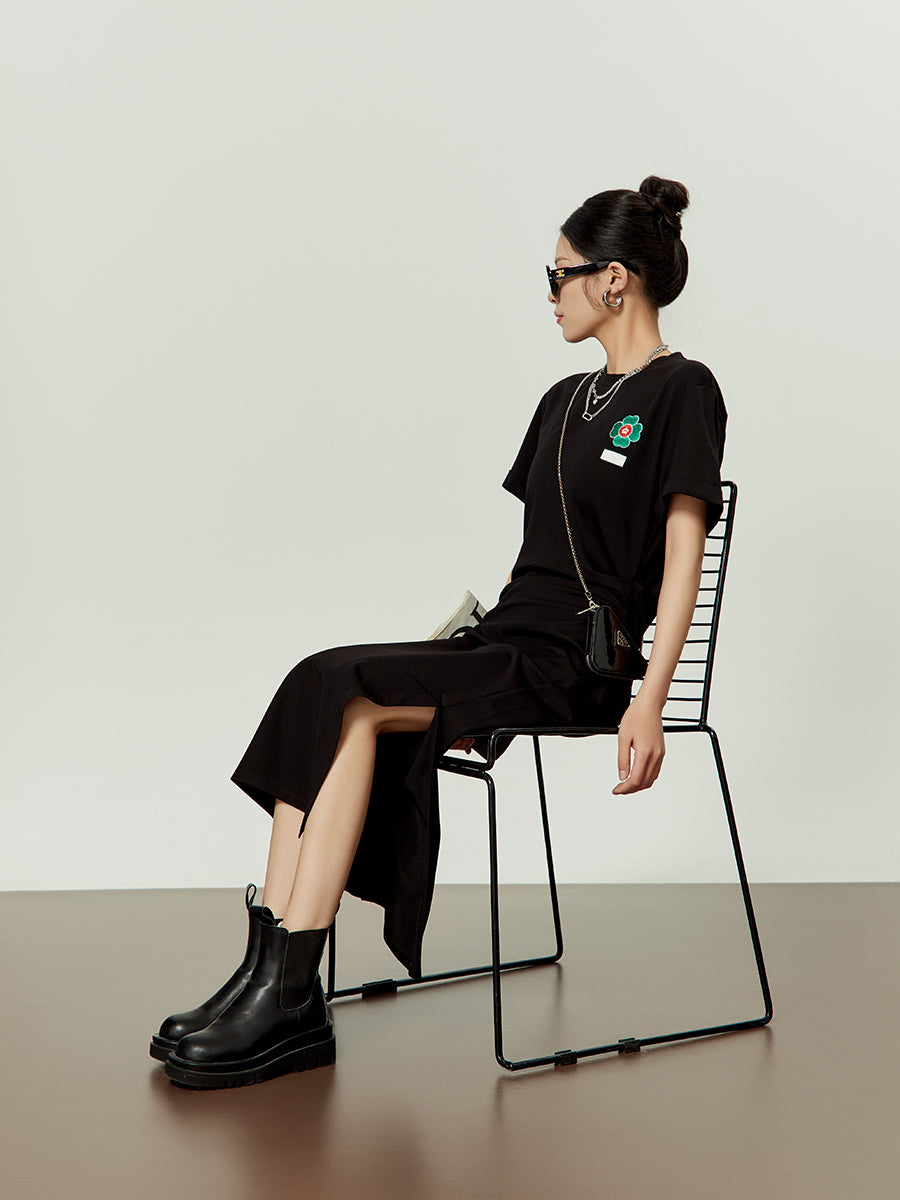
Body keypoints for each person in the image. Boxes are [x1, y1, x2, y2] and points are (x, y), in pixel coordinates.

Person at [151, 174, 727, 1089]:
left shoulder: (683, 390)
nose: (550, 292)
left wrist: (648, 701)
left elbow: (683, 558)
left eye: (560, 273)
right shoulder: (561, 399)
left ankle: (290, 991)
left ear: (613, 279)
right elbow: (537, 558)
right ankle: (272, 971)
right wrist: (464, 659)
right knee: (322, 676)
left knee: (356, 698)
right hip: (505, 644)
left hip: (575, 667)